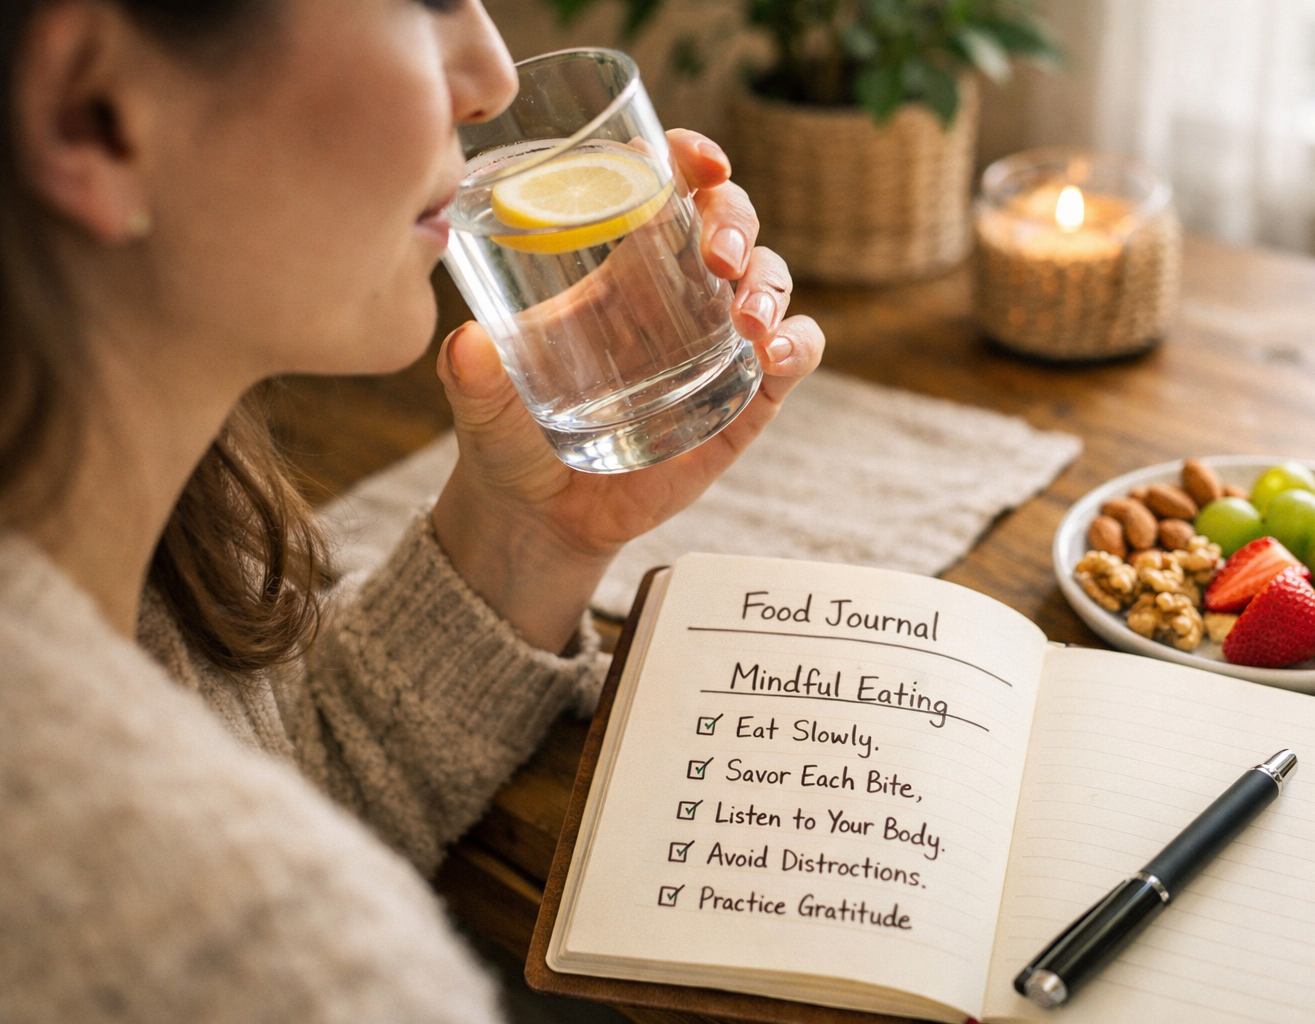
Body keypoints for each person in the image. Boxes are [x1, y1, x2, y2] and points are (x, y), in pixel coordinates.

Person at [0, 0, 823, 1020]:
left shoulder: (137, 539)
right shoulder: (275, 962)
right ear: (94, 113)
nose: (493, 76)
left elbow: (275, 779)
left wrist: (531, 532)